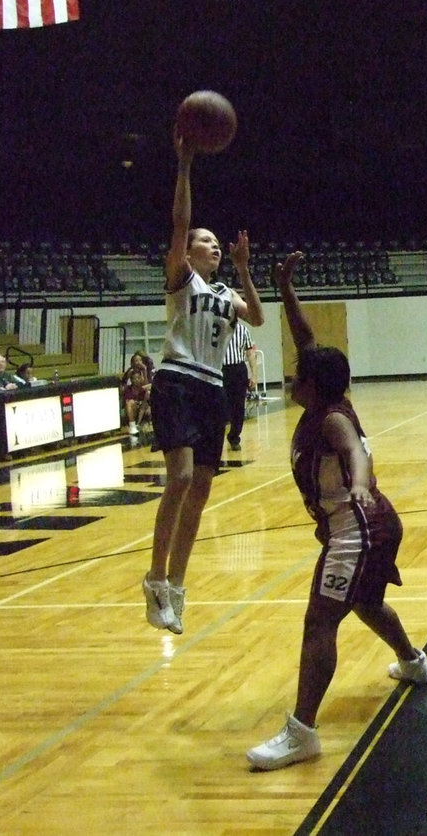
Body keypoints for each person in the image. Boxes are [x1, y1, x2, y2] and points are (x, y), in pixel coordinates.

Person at [246, 251, 427, 772]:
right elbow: (307, 337)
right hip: (372, 523)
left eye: (297, 372)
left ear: (312, 383)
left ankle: (301, 731)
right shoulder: (322, 396)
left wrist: (359, 484)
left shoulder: (331, 418)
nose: (291, 372)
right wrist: (285, 287)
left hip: (358, 525)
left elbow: (353, 449)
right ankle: (414, 662)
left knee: (319, 621)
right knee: (366, 603)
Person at [142, 130, 265, 635]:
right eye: (206, 242)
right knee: (182, 479)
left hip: (212, 387)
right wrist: (185, 165)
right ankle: (153, 579)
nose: (213, 246)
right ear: (188, 253)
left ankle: (176, 582)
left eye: (217, 243)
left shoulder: (223, 290)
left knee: (202, 489)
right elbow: (179, 221)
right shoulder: (182, 278)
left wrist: (244, 269)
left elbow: (256, 317)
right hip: (176, 381)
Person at [222, 319, 256, 450]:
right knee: (220, 406)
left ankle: (234, 437)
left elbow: (250, 353)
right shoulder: (217, 328)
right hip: (221, 369)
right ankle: (216, 438)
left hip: (238, 369)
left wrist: (254, 375)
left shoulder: (243, 330)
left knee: (239, 406)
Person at [121, 351, 154, 435]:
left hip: (144, 405)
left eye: (140, 360)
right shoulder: (130, 386)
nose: (138, 362)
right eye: (136, 360)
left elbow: (147, 385)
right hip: (135, 406)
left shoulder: (147, 371)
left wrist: (145, 371)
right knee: (129, 403)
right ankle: (132, 425)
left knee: (148, 393)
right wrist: (128, 376)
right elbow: (123, 385)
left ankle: (146, 424)